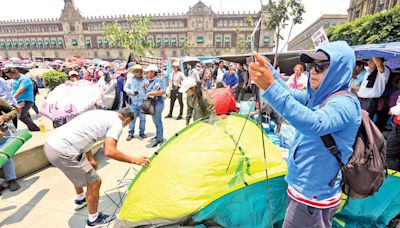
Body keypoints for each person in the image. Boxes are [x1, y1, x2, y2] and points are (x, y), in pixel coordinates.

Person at [249, 41, 361, 227]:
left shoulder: (345, 104)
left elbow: (313, 123)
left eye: (321, 67)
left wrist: (269, 86)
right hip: (303, 191)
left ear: (339, 70)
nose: (313, 72)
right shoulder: (318, 97)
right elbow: (288, 93)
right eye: (312, 66)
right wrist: (268, 68)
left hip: (313, 199)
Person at [44, 108, 150, 227]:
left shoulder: (101, 113)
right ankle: (93, 220)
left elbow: (86, 136)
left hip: (52, 144)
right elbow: (110, 151)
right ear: (126, 120)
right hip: (63, 151)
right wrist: (134, 159)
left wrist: (89, 158)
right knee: (94, 181)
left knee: (81, 170)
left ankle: (81, 199)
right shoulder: (117, 124)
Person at [4, 66, 40, 131]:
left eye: (11, 75)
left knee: (21, 115)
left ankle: (35, 128)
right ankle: (32, 128)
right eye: (8, 75)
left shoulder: (24, 79)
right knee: (26, 115)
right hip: (19, 100)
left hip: (25, 100)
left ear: (16, 73)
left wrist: (12, 98)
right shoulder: (15, 80)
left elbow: (21, 90)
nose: (10, 77)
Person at [0, 98, 20, 195]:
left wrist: (4, 118)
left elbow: (13, 110)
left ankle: (11, 179)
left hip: (2, 133)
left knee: (6, 155)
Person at [124, 64, 148, 141]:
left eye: (140, 71)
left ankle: (142, 132)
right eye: (137, 71)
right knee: (132, 119)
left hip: (142, 103)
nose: (139, 73)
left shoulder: (145, 80)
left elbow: (149, 91)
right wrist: (131, 92)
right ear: (134, 72)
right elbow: (125, 88)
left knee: (143, 119)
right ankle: (130, 133)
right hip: (133, 103)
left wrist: (145, 88)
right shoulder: (130, 80)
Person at [145, 65, 165, 147]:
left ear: (153, 73)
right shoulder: (152, 81)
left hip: (158, 103)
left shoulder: (158, 80)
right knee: (155, 121)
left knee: (158, 121)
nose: (146, 73)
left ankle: (160, 139)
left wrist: (150, 93)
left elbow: (161, 91)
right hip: (154, 103)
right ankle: (158, 135)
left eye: (148, 72)